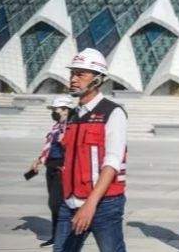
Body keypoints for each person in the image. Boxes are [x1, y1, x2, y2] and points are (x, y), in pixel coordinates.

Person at [54, 48, 128, 252]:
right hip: (69, 202)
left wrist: (90, 204)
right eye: (72, 73)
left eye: (81, 74)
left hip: (104, 203)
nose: (73, 79)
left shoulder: (112, 112)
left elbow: (112, 161)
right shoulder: (72, 115)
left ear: (97, 79)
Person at [27, 96, 73, 247]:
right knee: (55, 204)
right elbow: (50, 147)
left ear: (66, 110)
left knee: (56, 203)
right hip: (51, 166)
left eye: (56, 110)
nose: (54, 112)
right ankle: (56, 235)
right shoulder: (56, 127)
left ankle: (65, 235)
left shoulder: (72, 126)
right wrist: (39, 160)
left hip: (62, 167)